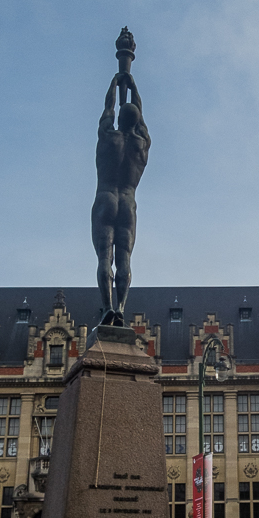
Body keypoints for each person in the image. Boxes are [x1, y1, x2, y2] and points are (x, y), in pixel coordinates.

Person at [91, 69, 151, 326]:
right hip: (128, 202)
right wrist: (133, 85)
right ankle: (122, 308)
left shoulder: (108, 137)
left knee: (105, 257)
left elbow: (107, 111)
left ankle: (107, 308)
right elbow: (141, 119)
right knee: (124, 258)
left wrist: (116, 82)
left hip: (105, 198)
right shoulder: (141, 144)